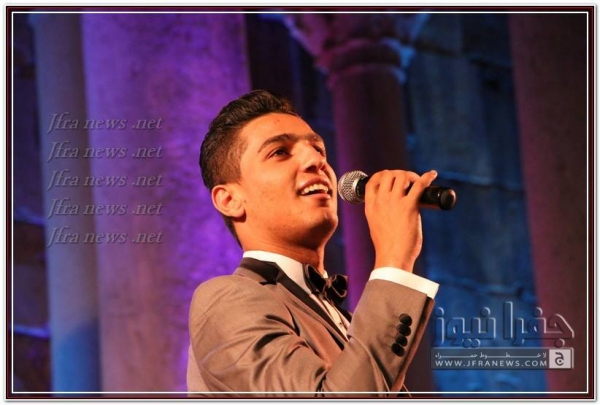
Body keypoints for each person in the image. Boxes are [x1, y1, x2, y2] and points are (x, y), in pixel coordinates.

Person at [187, 89, 439, 396]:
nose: (316, 160)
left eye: (319, 149)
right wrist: (394, 261)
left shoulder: (343, 320)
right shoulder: (226, 299)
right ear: (230, 200)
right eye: (279, 152)